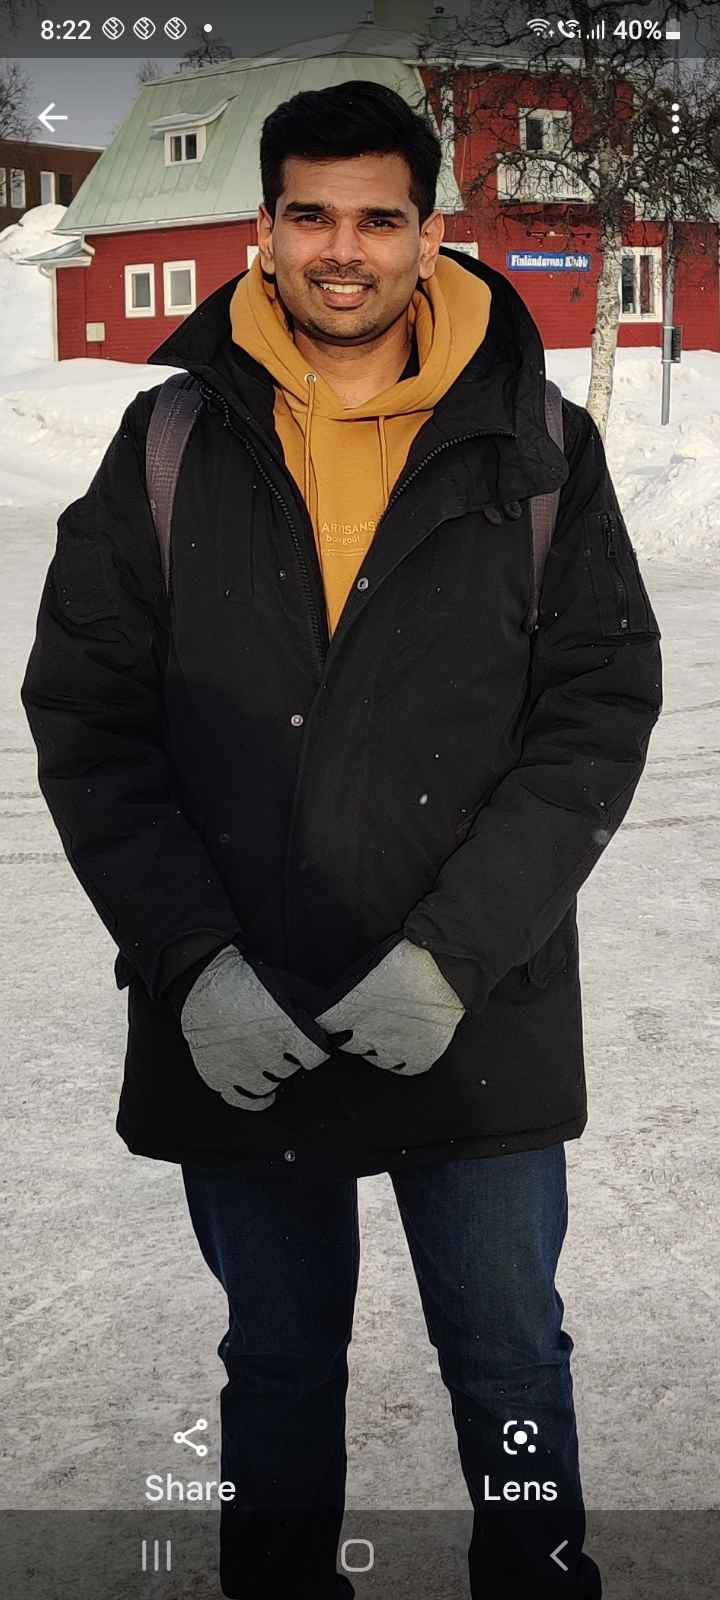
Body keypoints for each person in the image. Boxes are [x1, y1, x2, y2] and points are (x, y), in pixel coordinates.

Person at [22, 80, 662, 1600]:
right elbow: (90, 721)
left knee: (510, 1359)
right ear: (264, 228)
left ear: (431, 233)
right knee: (279, 1362)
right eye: (310, 214)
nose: (342, 249)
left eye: (379, 218)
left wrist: (455, 954)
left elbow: (594, 715)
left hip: (477, 1009)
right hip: (243, 1003)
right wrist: (191, 961)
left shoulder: (539, 445)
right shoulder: (167, 443)